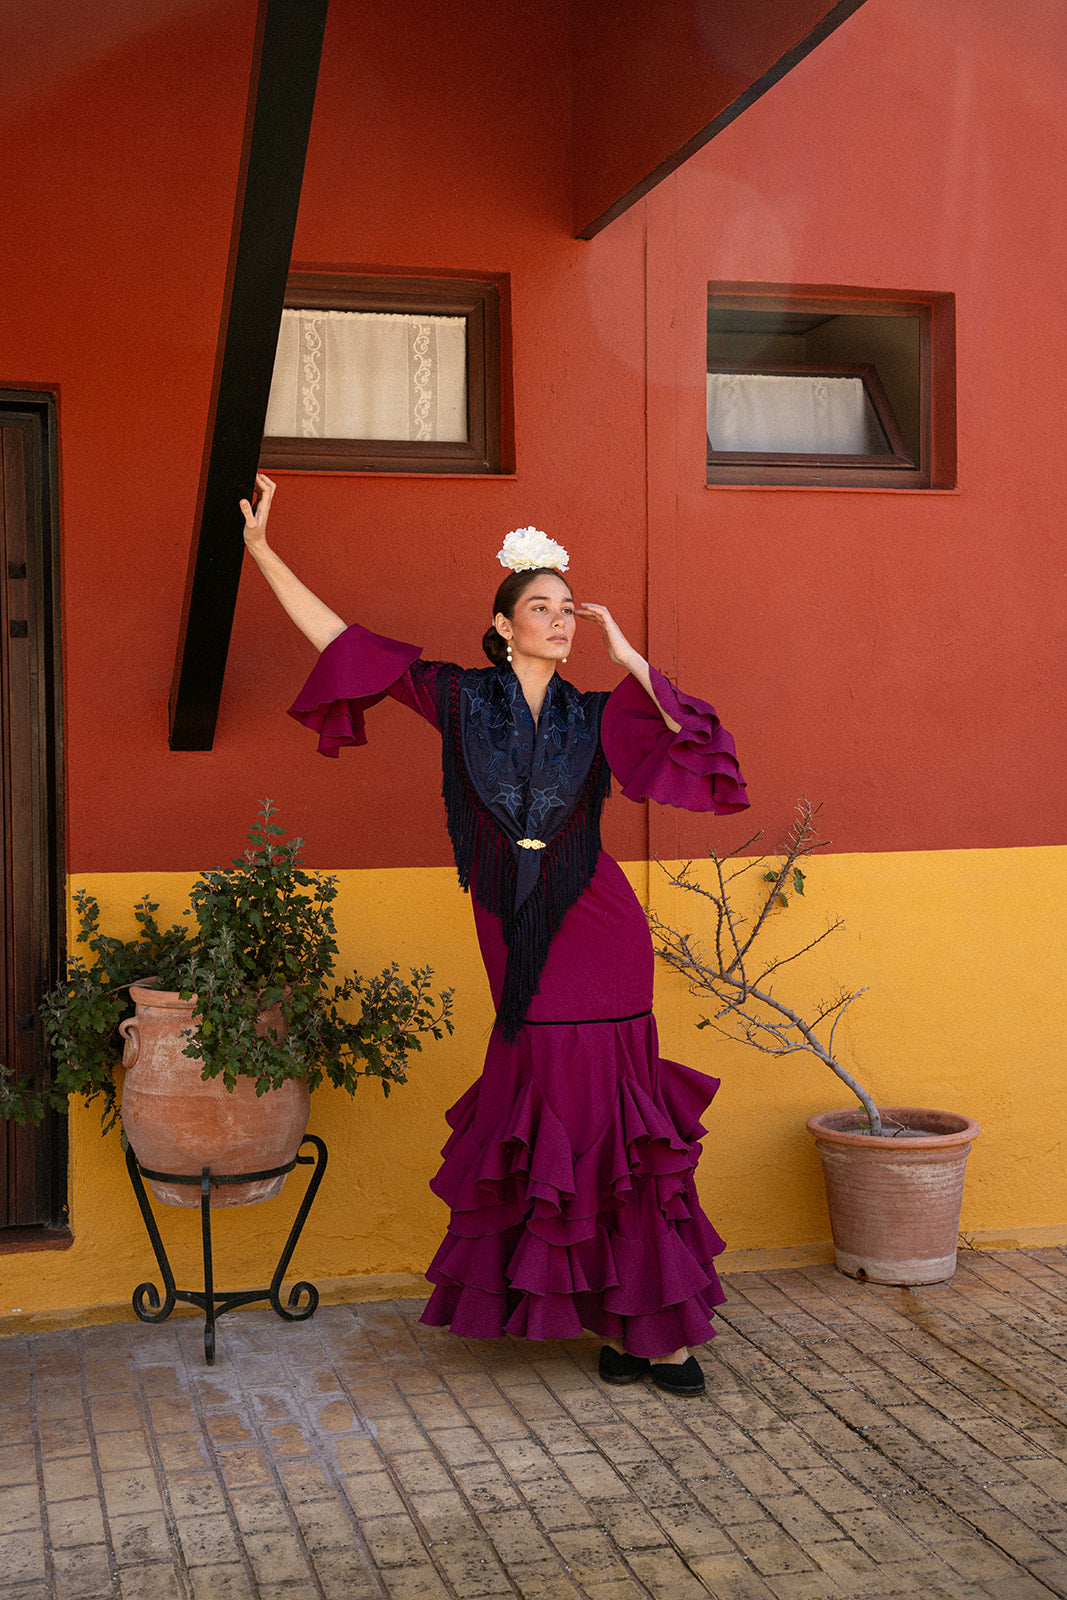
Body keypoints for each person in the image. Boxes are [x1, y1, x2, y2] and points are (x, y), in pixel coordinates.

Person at [241, 473, 749, 1396]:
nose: (561, 621)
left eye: (568, 610)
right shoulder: (456, 700)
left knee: (620, 1126)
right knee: (561, 1110)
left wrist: (628, 653)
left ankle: (650, 1331)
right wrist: (265, 554)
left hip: (601, 931)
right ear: (504, 623)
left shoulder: (597, 714)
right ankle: (606, 1312)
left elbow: (690, 731)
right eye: (543, 608)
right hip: (513, 936)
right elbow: (346, 646)